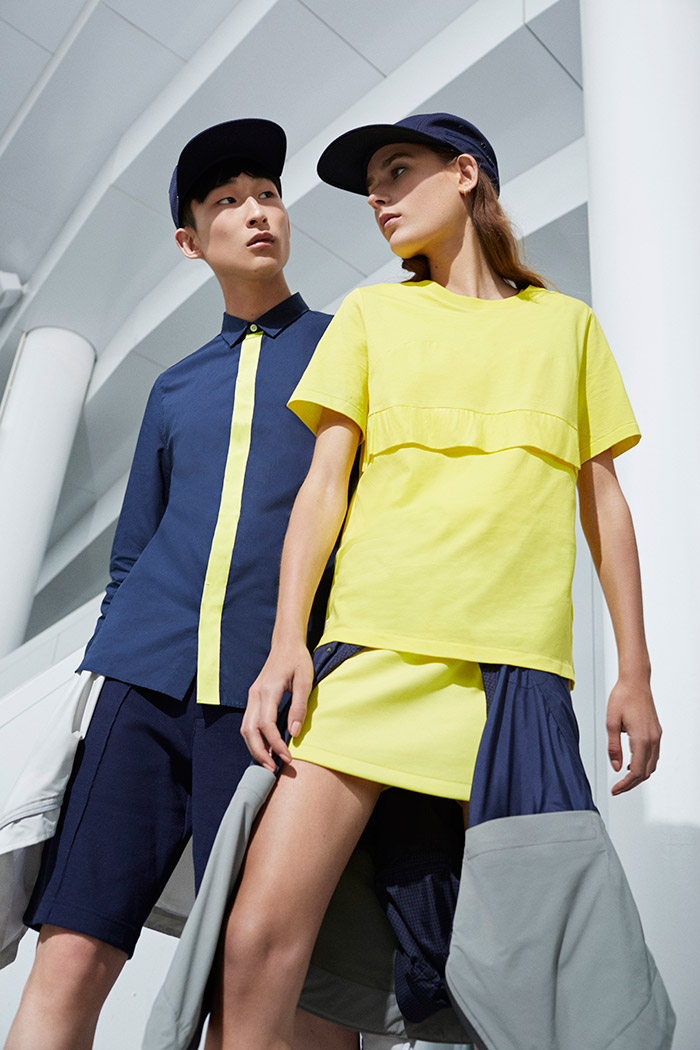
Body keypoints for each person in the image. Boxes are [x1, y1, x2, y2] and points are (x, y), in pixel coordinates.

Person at [196, 112, 674, 1050]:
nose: (378, 198)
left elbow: (604, 504)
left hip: (511, 681)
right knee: (255, 938)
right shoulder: (373, 316)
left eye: (396, 171)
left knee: (532, 980)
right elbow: (323, 489)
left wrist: (635, 671)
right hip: (371, 655)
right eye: (370, 185)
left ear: (464, 174)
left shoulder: (568, 328)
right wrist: (289, 643)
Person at [4, 118, 357, 1050]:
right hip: (141, 691)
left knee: (274, 981)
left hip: (274, 704)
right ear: (190, 241)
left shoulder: (349, 350)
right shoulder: (174, 388)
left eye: (268, 194)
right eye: (228, 202)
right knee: (71, 953)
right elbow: (132, 553)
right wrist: (110, 661)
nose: (257, 211)